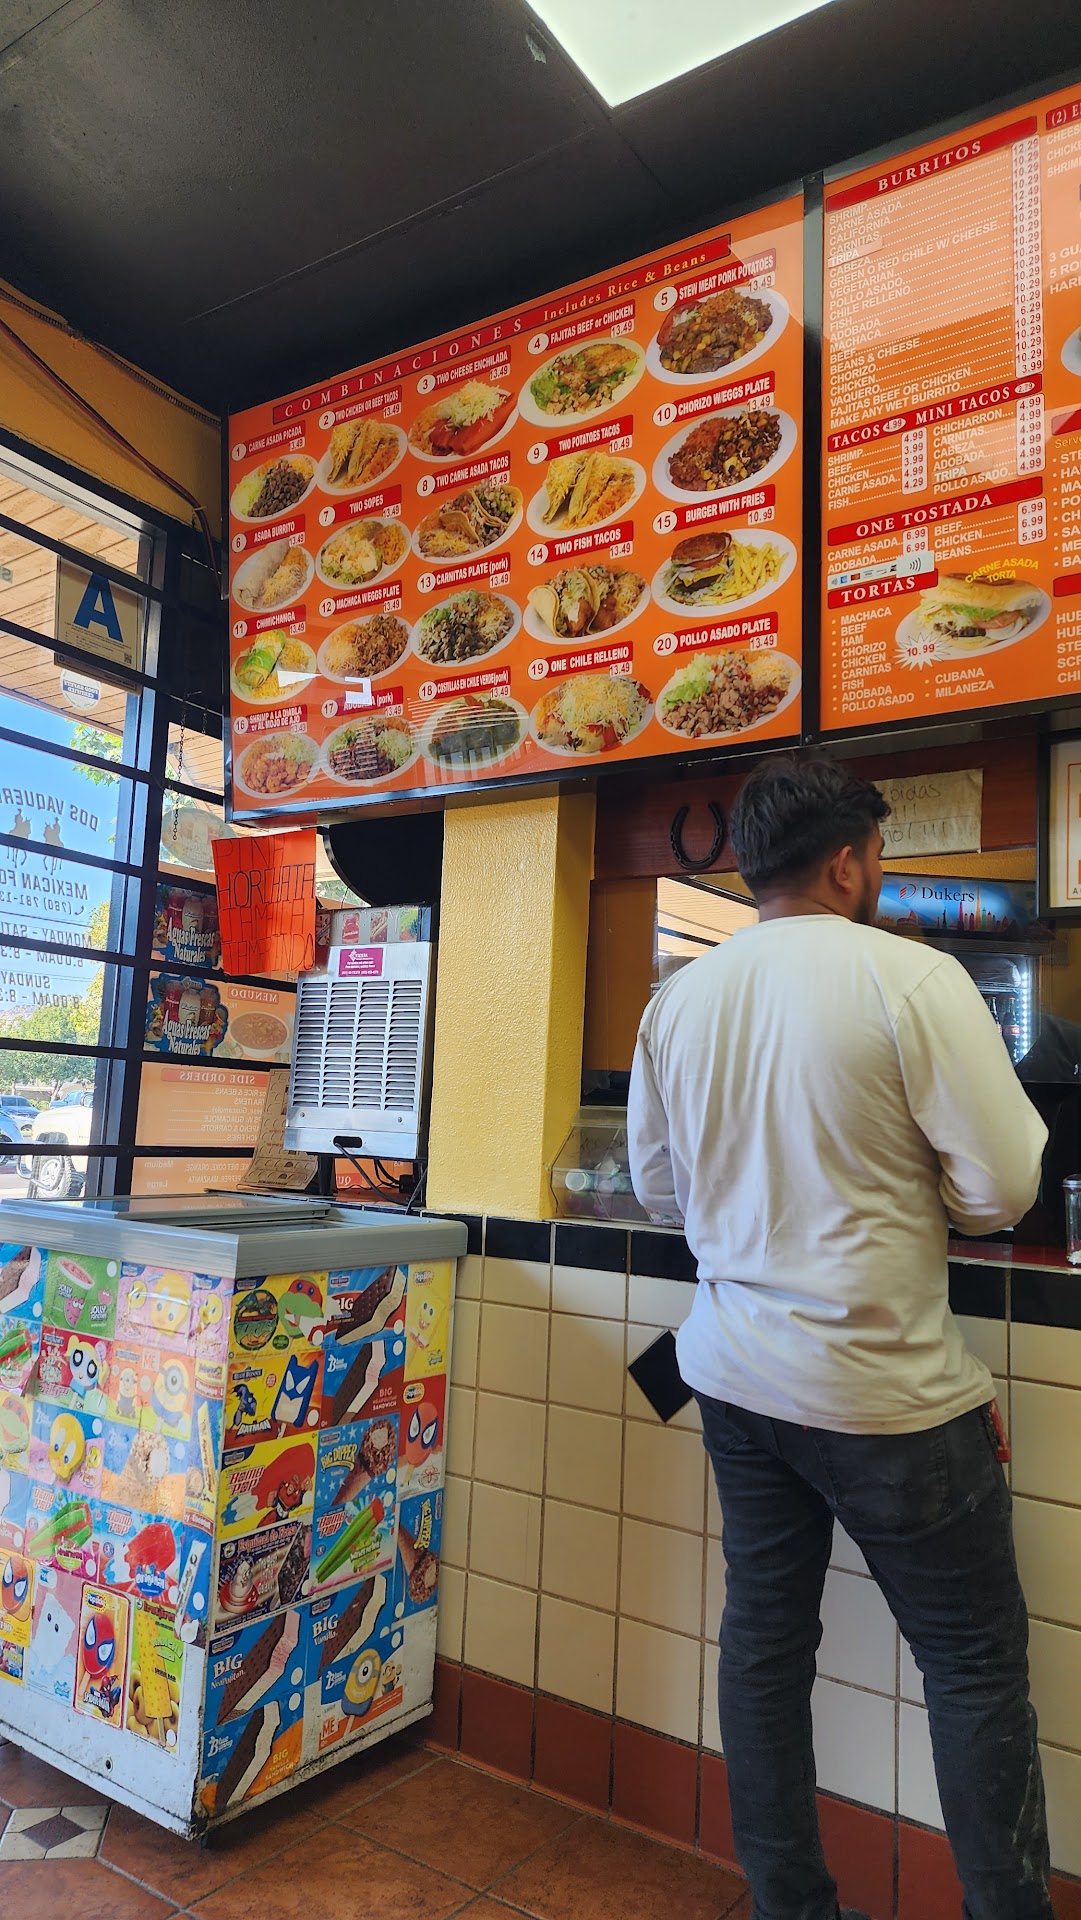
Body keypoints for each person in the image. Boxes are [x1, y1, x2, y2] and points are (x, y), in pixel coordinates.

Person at [628, 753, 1052, 1920]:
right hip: (886, 1395)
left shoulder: (679, 1000)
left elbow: (659, 1193)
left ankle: (790, 1906)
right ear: (848, 863)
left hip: (735, 1381)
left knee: (764, 1645)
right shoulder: (910, 979)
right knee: (973, 1668)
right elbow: (1004, 1186)